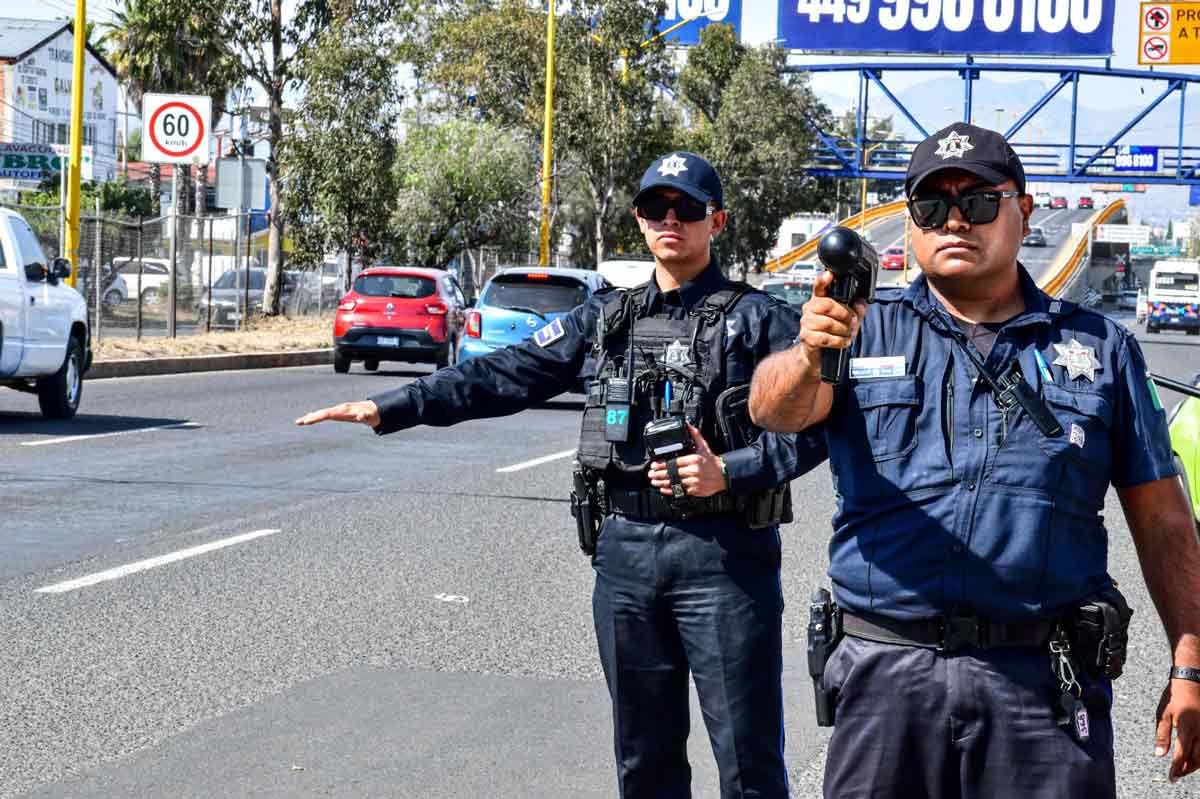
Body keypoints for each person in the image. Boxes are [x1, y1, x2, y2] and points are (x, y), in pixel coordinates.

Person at [297, 152, 827, 798]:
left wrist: (731, 471)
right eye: (656, 207)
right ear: (638, 219)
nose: (671, 220)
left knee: (748, 768)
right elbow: (504, 373)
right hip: (626, 558)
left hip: (725, 559)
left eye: (688, 208)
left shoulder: (763, 320)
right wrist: (393, 406)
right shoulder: (606, 318)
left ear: (716, 221)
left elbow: (819, 428)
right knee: (644, 764)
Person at [748, 122, 1200, 797]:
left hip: (1042, 687)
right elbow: (772, 409)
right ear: (911, 223)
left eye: (979, 201)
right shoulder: (860, 330)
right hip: (885, 679)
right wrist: (810, 355)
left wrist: (1190, 663)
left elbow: (1163, 519)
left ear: (1024, 210)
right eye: (933, 206)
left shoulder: (1102, 348)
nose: (955, 220)